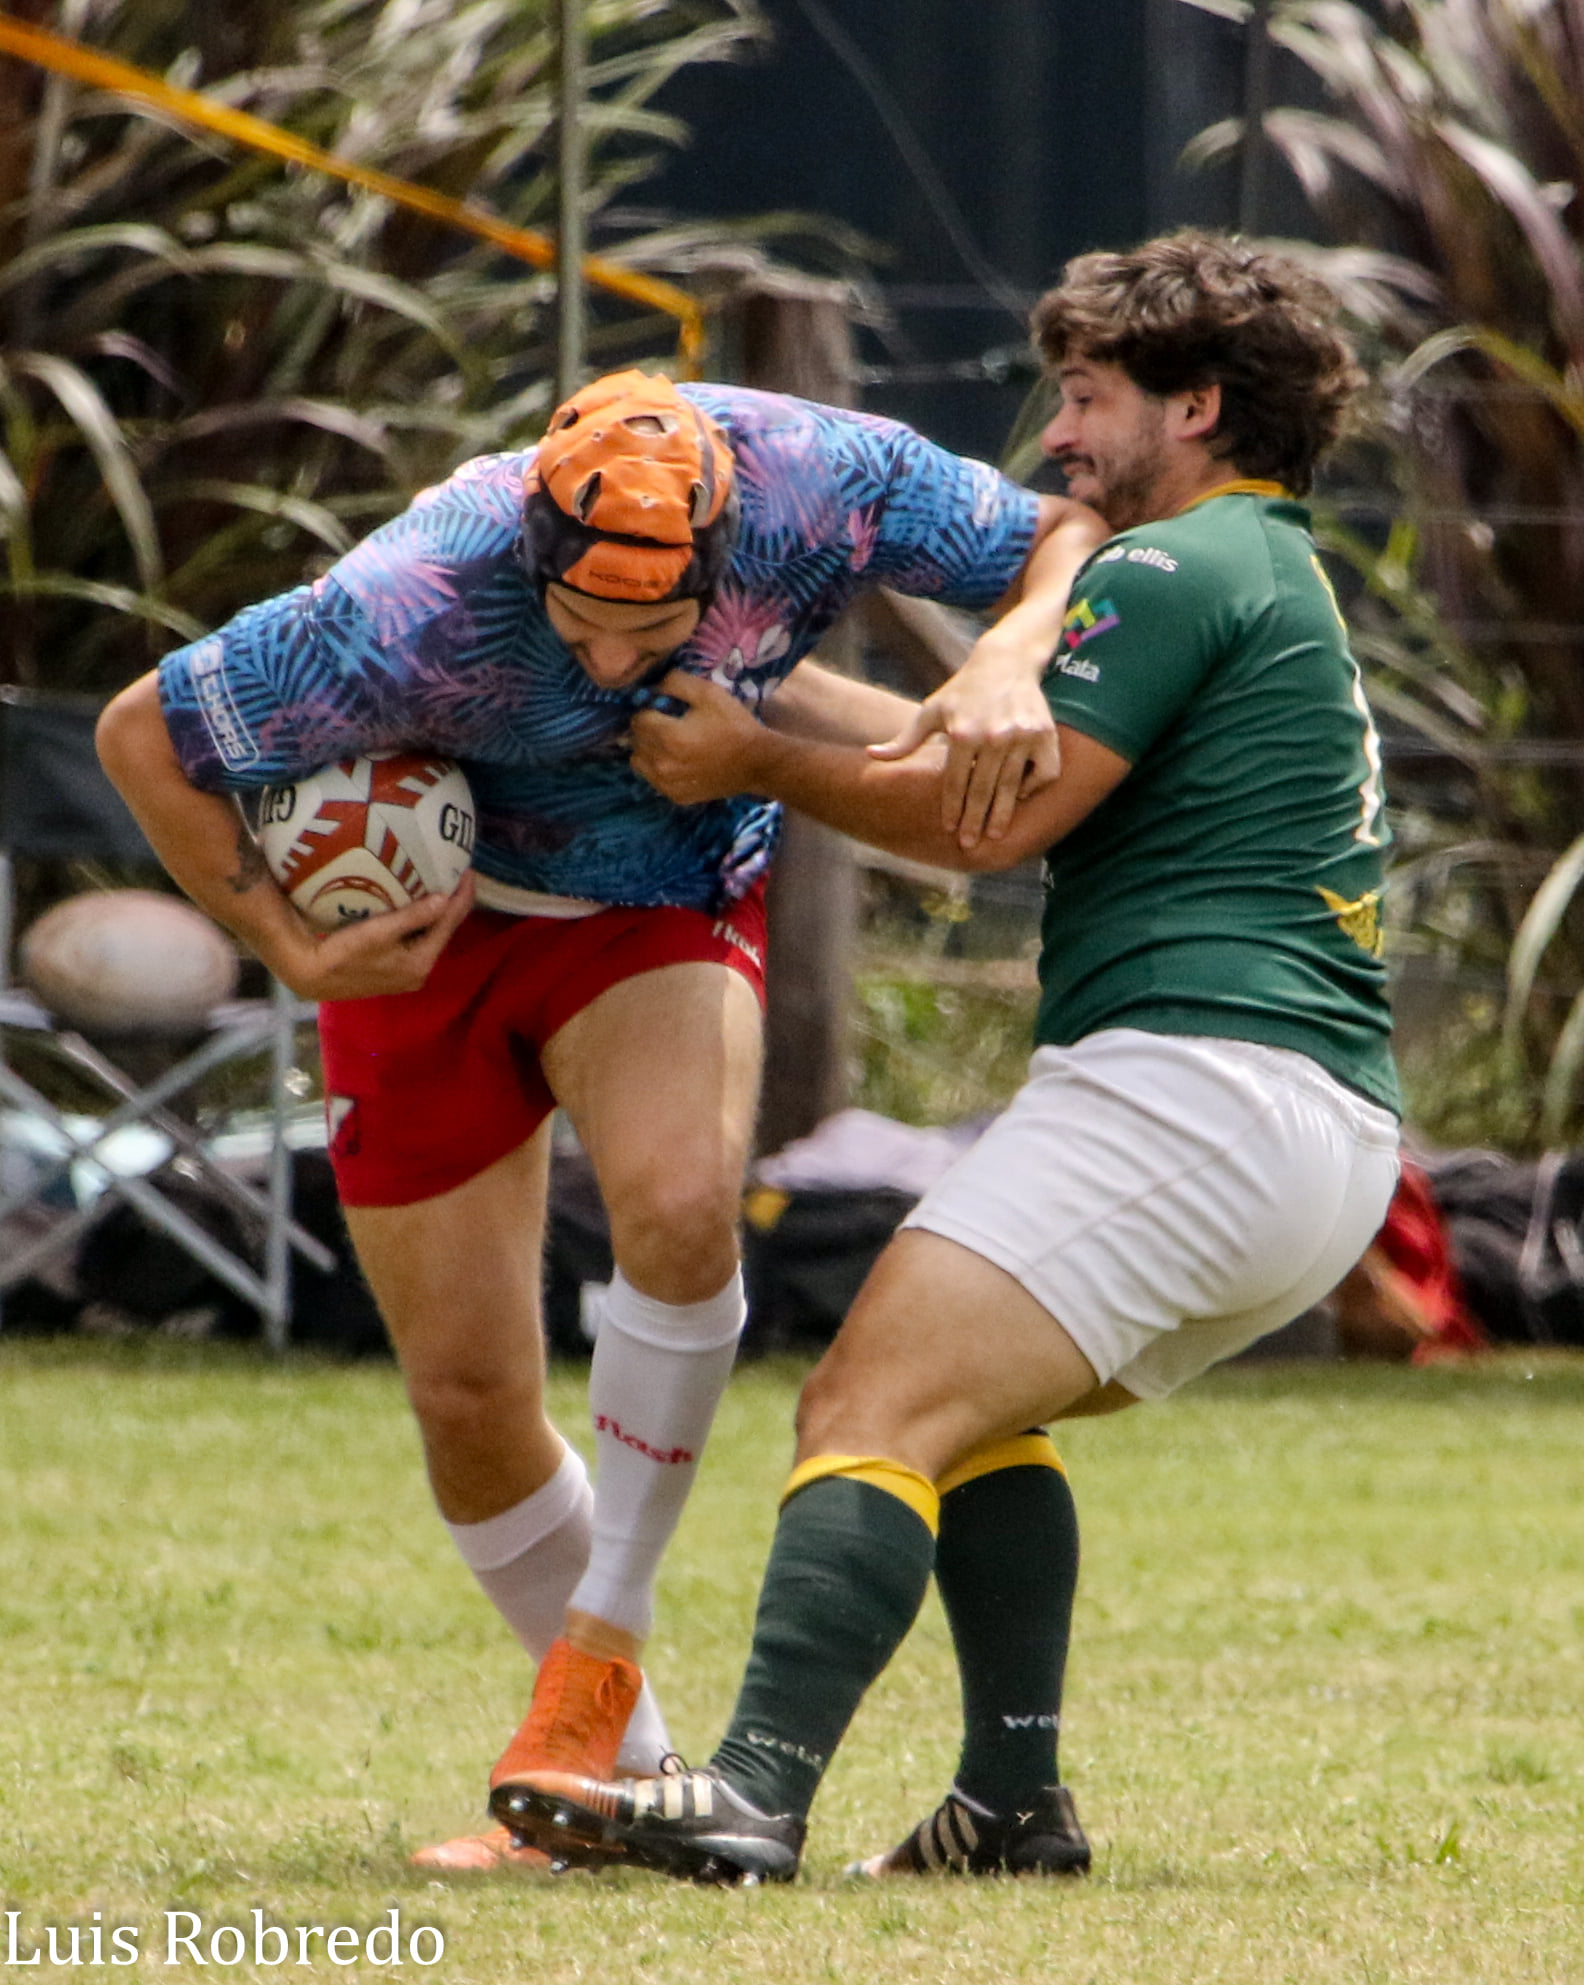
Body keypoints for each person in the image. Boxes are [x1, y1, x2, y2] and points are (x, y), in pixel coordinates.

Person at [95, 367, 1107, 1870]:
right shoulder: (409, 597)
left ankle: (597, 1649)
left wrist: (1016, 645)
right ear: (531, 555)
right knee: (466, 1399)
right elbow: (141, 736)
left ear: (727, 544)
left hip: (659, 900)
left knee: (687, 1201)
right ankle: (610, 1783)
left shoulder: (815, 477)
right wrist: (295, 948)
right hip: (424, 933)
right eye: (590, 625)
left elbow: (1068, 528)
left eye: (661, 622)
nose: (627, 652)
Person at [492, 231, 1404, 1884]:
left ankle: (753, 1791)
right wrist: (768, 694)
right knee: (974, 1420)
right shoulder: (1266, 570)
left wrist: (749, 758)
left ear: (1195, 407)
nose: (1056, 439)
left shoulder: (1170, 571)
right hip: (1305, 1132)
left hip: (1195, 1085)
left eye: (1085, 398)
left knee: (865, 1401)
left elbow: (988, 813)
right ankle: (1011, 1802)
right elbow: (941, 741)